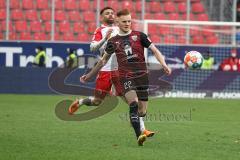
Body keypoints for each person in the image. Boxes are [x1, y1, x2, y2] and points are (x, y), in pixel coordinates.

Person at [80, 9, 171, 146]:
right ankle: (139, 136)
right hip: (125, 76)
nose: (127, 24)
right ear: (117, 22)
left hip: (141, 76)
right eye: (124, 21)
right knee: (133, 104)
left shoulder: (140, 36)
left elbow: (155, 50)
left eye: (129, 21)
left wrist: (163, 64)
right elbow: (103, 60)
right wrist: (90, 75)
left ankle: (137, 123)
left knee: (142, 110)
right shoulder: (113, 41)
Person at [68, 7, 154, 138]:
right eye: (107, 13)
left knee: (133, 102)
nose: (110, 15)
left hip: (120, 71)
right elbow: (92, 48)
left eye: (112, 13)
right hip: (104, 70)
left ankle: (142, 130)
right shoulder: (100, 30)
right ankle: (80, 102)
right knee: (97, 101)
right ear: (101, 17)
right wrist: (105, 39)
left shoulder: (122, 29)